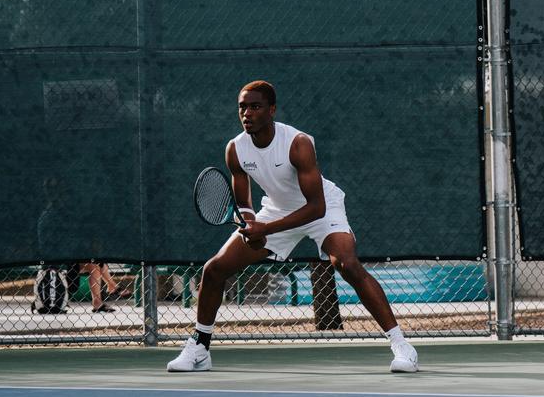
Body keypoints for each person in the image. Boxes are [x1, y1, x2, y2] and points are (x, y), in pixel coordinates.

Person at [167, 80, 418, 373]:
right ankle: (200, 348)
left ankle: (402, 346)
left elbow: (316, 207)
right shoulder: (235, 149)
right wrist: (250, 224)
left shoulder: (298, 143)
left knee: (346, 263)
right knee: (214, 269)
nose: (247, 113)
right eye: (242, 107)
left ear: (272, 110)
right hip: (276, 209)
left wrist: (265, 230)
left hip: (321, 206)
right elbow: (243, 199)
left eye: (255, 106)